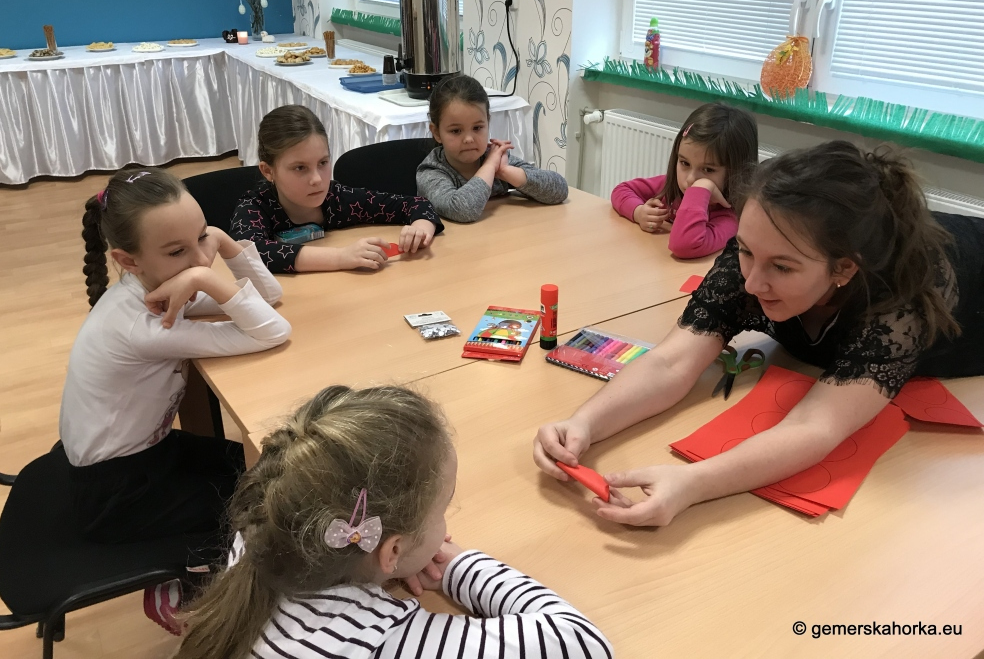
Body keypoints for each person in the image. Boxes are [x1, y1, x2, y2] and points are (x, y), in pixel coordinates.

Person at [535, 142, 984, 527]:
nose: (751, 283)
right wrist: (584, 423)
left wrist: (692, 483)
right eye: (747, 251)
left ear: (844, 269)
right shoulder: (765, 247)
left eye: (782, 268)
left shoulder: (903, 293)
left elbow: (817, 425)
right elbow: (672, 361)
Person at [175, 385, 613, 659]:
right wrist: (457, 565)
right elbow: (582, 643)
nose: (446, 524)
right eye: (444, 509)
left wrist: (389, 563)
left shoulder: (262, 528)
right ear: (392, 549)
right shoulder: (382, 642)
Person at [62, 167, 291, 633]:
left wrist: (224, 243)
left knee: (264, 468)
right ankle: (180, 581)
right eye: (177, 250)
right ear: (128, 260)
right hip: (116, 491)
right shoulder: (142, 324)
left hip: (145, 456)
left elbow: (270, 298)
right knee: (261, 499)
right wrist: (210, 277)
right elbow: (272, 331)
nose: (198, 257)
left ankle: (194, 559)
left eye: (201, 236)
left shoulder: (159, 284)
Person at [231, 105, 444, 274]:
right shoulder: (255, 207)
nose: (317, 179)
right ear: (268, 171)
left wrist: (420, 230)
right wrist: (340, 257)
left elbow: (416, 204)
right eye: (300, 168)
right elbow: (249, 253)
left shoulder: (339, 199)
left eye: (323, 163)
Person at [611, 103, 758, 259]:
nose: (691, 179)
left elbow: (683, 246)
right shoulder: (671, 187)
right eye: (684, 163)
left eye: (708, 170)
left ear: (737, 172)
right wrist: (638, 212)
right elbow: (622, 190)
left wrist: (701, 188)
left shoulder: (731, 218)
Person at [416, 75, 568, 222]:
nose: (469, 139)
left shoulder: (494, 158)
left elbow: (559, 190)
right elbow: (462, 210)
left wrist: (505, 171)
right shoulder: (430, 172)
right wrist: (490, 166)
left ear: (488, 122)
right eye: (456, 131)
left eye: (477, 128)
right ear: (437, 132)